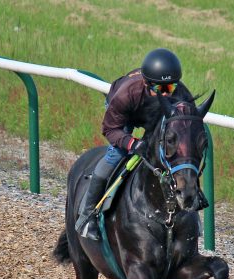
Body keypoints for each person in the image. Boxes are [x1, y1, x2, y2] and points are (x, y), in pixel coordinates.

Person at [75, 48, 195, 241]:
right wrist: (131, 143)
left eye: (170, 88)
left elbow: (187, 123)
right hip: (126, 115)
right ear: (147, 83)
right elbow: (110, 129)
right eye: (160, 89)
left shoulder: (180, 92)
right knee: (116, 155)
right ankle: (87, 216)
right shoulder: (127, 94)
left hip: (155, 116)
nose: (166, 94)